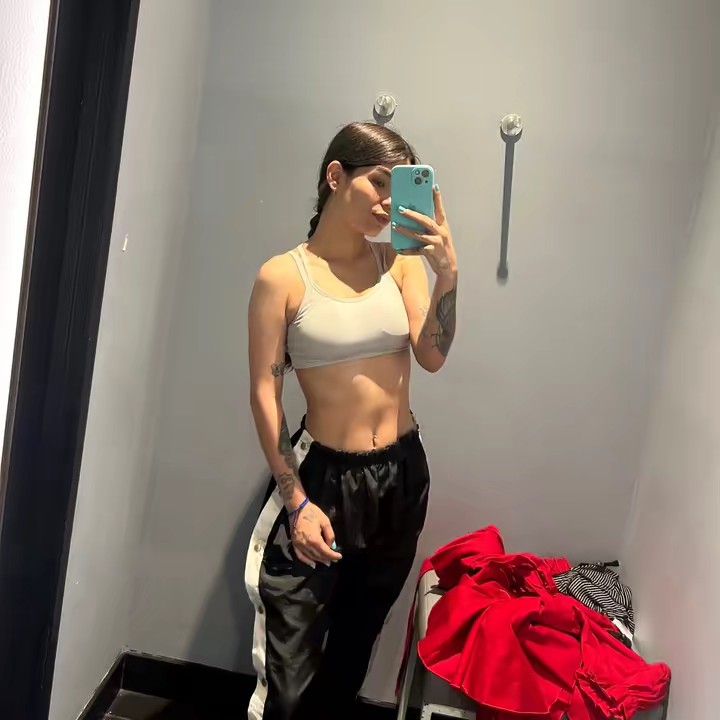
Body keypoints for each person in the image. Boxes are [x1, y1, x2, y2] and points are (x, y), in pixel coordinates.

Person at [245, 122, 458, 720]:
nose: (389, 203)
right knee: (289, 673)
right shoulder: (283, 276)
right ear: (335, 176)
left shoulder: (401, 264)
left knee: (354, 648)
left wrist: (447, 274)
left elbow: (433, 356)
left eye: (400, 187)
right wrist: (295, 501)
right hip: (322, 480)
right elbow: (264, 392)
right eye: (379, 183)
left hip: (401, 474)